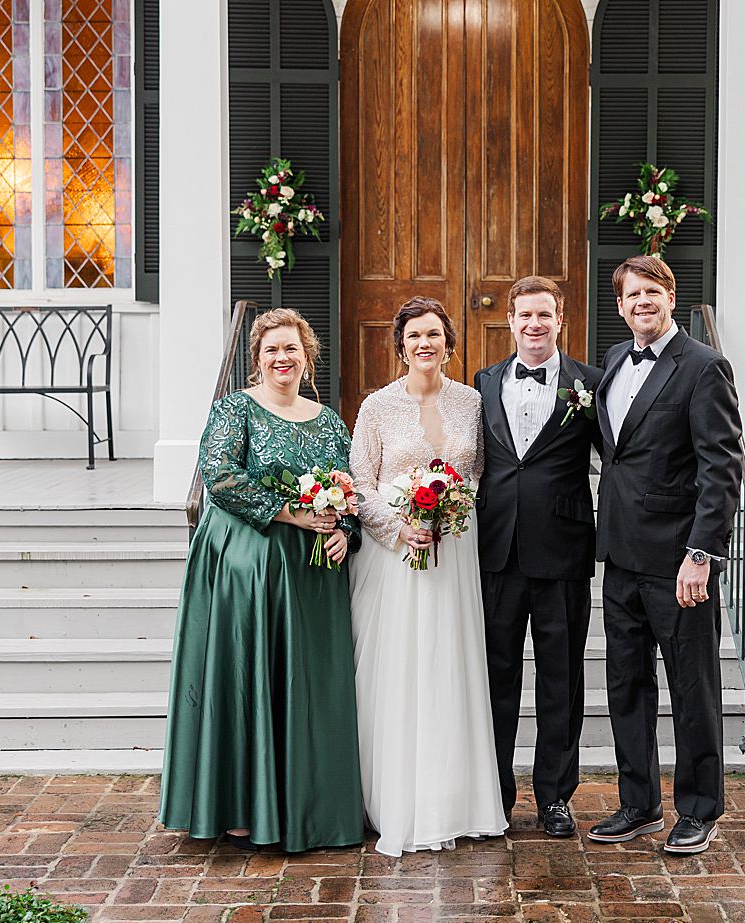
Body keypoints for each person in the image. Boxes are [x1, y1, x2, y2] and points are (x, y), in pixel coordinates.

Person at [160, 307, 364, 852]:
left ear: (307, 355)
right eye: (271, 349)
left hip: (310, 574)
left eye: (291, 348)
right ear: (256, 358)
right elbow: (220, 476)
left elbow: (349, 488)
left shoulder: (328, 421)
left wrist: (345, 532)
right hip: (246, 562)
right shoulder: (236, 409)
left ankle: (305, 808)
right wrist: (292, 514)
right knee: (248, 679)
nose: (282, 358)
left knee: (307, 687)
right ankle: (241, 805)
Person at [588, 255, 743, 855]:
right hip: (620, 555)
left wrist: (701, 553)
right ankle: (639, 802)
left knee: (692, 687)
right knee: (626, 684)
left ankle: (699, 808)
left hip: (678, 560)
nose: (642, 303)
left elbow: (721, 467)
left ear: (671, 297)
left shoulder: (703, 366)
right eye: (631, 295)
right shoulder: (612, 360)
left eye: (652, 292)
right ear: (620, 305)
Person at [347, 297, 505, 855]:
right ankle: (396, 800)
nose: (424, 344)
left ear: (449, 343)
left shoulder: (471, 402)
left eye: (434, 334)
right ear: (400, 345)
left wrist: (451, 510)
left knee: (449, 666)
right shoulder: (377, 407)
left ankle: (453, 800)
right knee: (401, 669)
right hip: (395, 556)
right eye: (414, 335)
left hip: (454, 552)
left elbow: (479, 471)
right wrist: (399, 526)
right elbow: (360, 482)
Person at [473, 276, 603, 838]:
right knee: (495, 678)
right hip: (496, 551)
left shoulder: (589, 384)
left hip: (563, 552)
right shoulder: (482, 382)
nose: (534, 324)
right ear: (510, 321)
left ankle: (554, 796)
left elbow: (619, 458)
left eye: (544, 314)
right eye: (524, 315)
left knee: (561, 680)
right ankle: (495, 794)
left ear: (560, 320)